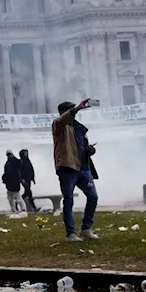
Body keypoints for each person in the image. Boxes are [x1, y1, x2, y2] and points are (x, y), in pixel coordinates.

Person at [52, 99, 99, 241]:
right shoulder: (58, 125)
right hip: (67, 167)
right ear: (62, 112)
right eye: (70, 110)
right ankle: (71, 233)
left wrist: (91, 150)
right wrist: (77, 108)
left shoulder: (80, 128)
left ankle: (86, 228)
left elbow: (85, 147)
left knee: (93, 197)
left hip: (84, 167)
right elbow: (63, 119)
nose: (74, 112)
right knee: (68, 200)